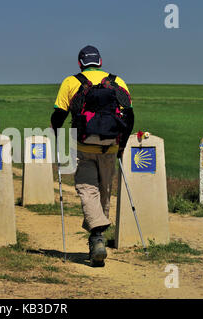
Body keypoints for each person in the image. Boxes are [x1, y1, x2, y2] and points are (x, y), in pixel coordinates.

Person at [50, 45, 134, 267]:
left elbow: (58, 116)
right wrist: (122, 145)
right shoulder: (118, 82)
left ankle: (97, 237)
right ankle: (98, 240)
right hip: (111, 146)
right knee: (104, 192)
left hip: (84, 146)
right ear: (101, 61)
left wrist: (58, 137)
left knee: (88, 191)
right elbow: (130, 115)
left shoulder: (71, 82)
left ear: (80, 63)